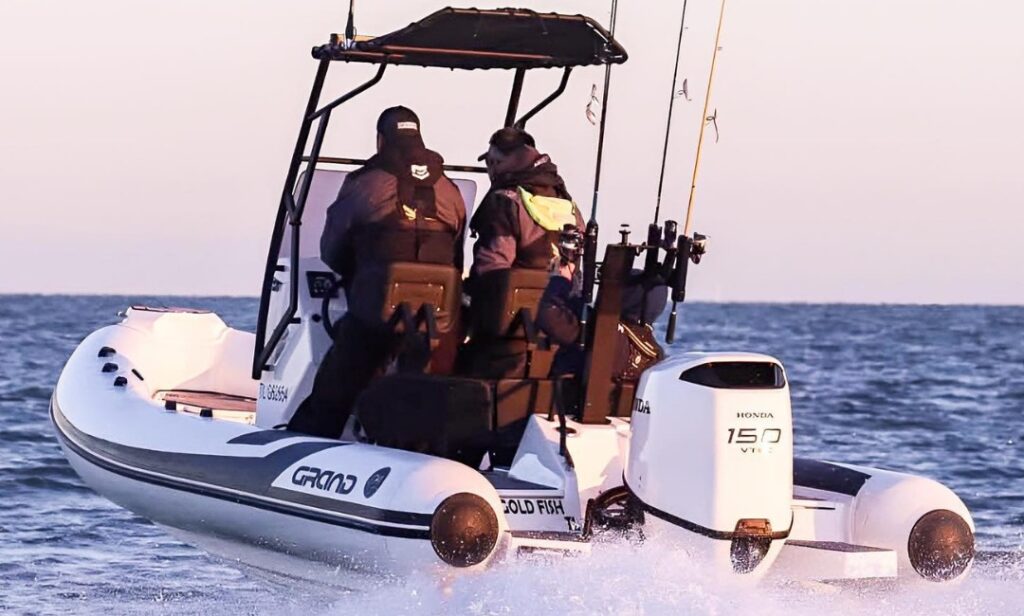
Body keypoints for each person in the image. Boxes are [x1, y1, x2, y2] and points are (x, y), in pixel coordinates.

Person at [288, 106, 466, 438]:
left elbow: (332, 247)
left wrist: (358, 275)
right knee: (423, 377)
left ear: (381, 140)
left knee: (337, 381)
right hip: (436, 316)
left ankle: (308, 444)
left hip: (376, 310)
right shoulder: (450, 189)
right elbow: (457, 252)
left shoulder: (366, 182)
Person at [459, 127, 584, 377]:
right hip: (558, 320)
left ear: (505, 162)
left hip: (507, 326)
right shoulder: (566, 203)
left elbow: (492, 269)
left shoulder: (505, 202)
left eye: (493, 163)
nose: (491, 170)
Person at [537, 253, 668, 384]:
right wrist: (575, 283)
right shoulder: (655, 355)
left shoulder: (602, 329)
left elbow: (549, 314)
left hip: (562, 400)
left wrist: (559, 279)